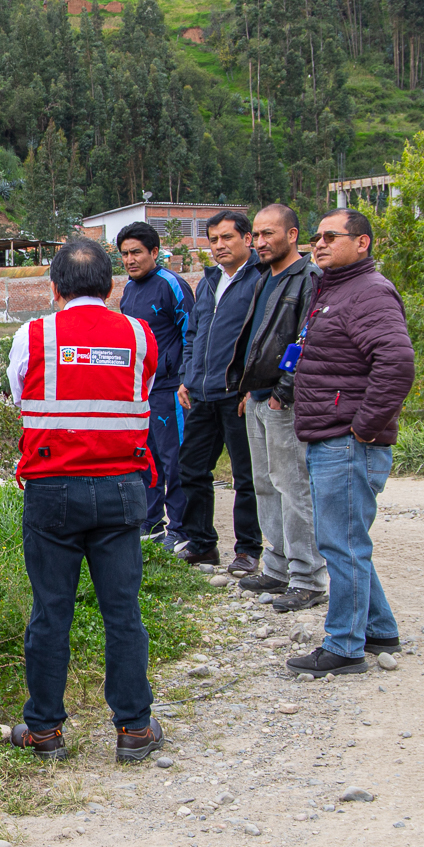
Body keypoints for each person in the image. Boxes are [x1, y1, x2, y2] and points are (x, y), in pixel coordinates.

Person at [8, 238, 162, 764]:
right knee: (123, 611)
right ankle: (135, 729)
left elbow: (19, 395)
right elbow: (143, 389)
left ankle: (45, 731)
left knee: (51, 612)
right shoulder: (139, 336)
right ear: (112, 285)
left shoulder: (34, 336)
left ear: (53, 288)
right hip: (121, 488)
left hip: (52, 491)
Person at [284, 208, 416, 679]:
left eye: (330, 237)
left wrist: (363, 428)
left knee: (341, 544)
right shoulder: (334, 289)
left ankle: (343, 646)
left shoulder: (369, 293)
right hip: (332, 435)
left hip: (347, 440)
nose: (318, 244)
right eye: (316, 237)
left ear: (362, 243)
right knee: (345, 541)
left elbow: (397, 364)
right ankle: (379, 630)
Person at [232, 204, 325, 612]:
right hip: (256, 396)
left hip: (282, 399)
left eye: (269, 233)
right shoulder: (261, 278)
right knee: (265, 484)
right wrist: (245, 388)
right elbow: (256, 338)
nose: (260, 241)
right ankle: (277, 566)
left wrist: (283, 390)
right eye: (256, 234)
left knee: (293, 486)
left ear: (293, 235)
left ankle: (307, 576)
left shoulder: (309, 278)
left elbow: (308, 339)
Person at [173, 210, 263, 575]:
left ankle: (248, 549)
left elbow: (262, 338)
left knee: (246, 477)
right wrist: (186, 376)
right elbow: (193, 335)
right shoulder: (208, 282)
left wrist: (252, 385)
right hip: (201, 392)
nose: (219, 246)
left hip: (236, 394)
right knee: (191, 469)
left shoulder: (260, 279)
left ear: (247, 239)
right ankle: (202, 544)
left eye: (227, 237)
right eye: (213, 240)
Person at [115, 221, 194, 546]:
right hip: (139, 390)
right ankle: (150, 523)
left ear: (155, 252)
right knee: (144, 457)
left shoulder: (172, 285)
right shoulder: (129, 292)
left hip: (170, 388)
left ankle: (181, 528)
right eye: (124, 254)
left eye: (136, 252)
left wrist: (186, 378)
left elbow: (192, 332)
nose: (130, 259)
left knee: (173, 458)